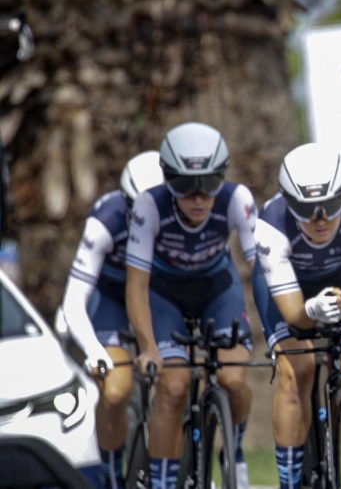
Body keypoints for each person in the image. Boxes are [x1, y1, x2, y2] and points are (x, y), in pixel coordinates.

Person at [125, 122, 258, 489]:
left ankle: (235, 449)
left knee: (232, 379)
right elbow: (136, 286)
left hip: (217, 290)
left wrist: (278, 328)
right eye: (185, 187)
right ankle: (164, 482)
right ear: (167, 179)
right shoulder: (149, 205)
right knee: (173, 388)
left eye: (209, 185)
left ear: (223, 178)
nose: (199, 199)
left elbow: (262, 270)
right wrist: (148, 346)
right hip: (166, 296)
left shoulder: (237, 200)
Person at [252, 143, 341, 489]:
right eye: (306, 208)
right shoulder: (270, 226)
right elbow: (295, 316)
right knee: (298, 371)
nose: (320, 219)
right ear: (287, 201)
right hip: (290, 294)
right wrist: (311, 310)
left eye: (330, 206)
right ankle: (290, 479)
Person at [58, 151, 164, 488]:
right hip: (111, 300)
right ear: (125, 201)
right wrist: (93, 349)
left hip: (157, 297)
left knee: (181, 379)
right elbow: (74, 299)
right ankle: (111, 472)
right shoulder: (105, 221)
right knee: (116, 390)